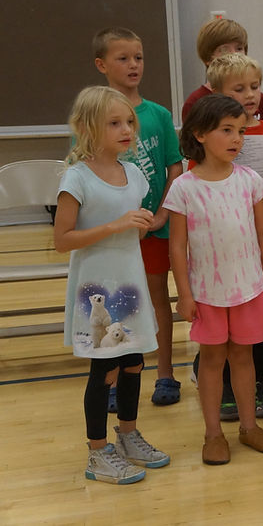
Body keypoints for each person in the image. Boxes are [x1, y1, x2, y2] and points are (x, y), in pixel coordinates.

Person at [54, 86, 170, 484]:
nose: (127, 130)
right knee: (105, 369)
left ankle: (128, 435)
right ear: (89, 127)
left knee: (134, 361)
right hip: (95, 289)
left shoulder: (134, 175)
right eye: (115, 123)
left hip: (130, 283)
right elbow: (62, 240)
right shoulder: (76, 177)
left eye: (129, 123)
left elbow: (134, 232)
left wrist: (142, 224)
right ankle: (97, 452)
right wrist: (115, 225)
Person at [164, 95, 263, 465]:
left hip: (249, 288)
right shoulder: (184, 187)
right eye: (227, 130)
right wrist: (184, 294)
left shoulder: (250, 180)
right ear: (200, 134)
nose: (237, 139)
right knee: (212, 359)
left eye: (240, 131)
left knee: (243, 357)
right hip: (206, 293)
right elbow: (177, 246)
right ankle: (213, 433)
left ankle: (249, 427)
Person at [93, 28, 183, 407]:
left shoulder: (158, 115)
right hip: (115, 235)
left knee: (158, 297)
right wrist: (116, 223)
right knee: (118, 303)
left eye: (139, 57)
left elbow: (175, 168)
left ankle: (165, 374)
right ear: (102, 65)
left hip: (155, 231)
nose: (133, 65)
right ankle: (114, 380)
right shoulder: (94, 117)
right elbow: (87, 172)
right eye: (123, 58)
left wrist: (160, 215)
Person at [205, 53, 263, 419]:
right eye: (238, 89)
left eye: (254, 87)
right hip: (227, 250)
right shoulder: (212, 141)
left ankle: (256, 378)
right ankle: (223, 381)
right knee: (225, 322)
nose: (250, 95)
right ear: (216, 94)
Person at [181, 17, 263, 122]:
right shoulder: (195, 102)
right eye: (224, 50)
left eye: (239, 48)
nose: (234, 54)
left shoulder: (259, 100)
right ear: (207, 58)